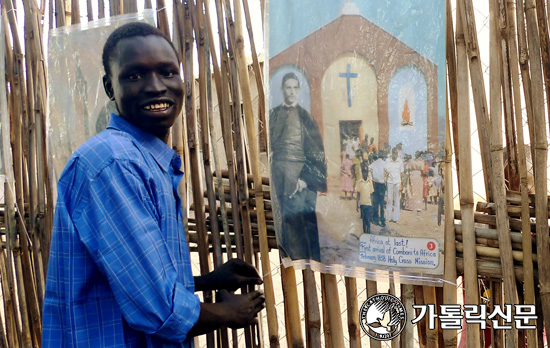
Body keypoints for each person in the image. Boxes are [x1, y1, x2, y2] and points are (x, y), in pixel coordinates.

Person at [43, 23, 265, 348]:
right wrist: (228, 314)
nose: (156, 87)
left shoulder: (147, 160)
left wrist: (209, 281)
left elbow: (132, 277)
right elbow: (159, 312)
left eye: (168, 72)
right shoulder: (113, 163)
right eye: (135, 76)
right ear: (109, 87)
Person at [269, 72, 327, 262]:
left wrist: (304, 180)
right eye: (288, 87)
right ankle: (292, 261)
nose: (291, 91)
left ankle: (310, 262)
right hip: (280, 173)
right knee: (287, 218)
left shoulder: (305, 117)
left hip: (301, 174)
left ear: (299, 90)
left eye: (295, 87)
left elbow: (317, 153)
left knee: (305, 219)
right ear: (282, 90)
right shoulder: (273, 114)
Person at [385, 147, 404, 223]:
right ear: (392, 153)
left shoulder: (400, 161)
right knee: (389, 199)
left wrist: (402, 183)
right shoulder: (388, 161)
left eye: (396, 153)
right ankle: (388, 217)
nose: (395, 155)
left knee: (396, 200)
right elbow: (385, 171)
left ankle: (396, 218)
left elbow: (402, 173)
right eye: (394, 153)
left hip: (397, 182)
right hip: (389, 181)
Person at [369, 151, 387, 227]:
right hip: (382, 185)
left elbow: (369, 169)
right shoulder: (384, 164)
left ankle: (375, 220)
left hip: (375, 184)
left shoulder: (373, 164)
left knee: (375, 203)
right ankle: (382, 221)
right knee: (381, 204)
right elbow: (387, 173)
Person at [355, 166, 374, 234]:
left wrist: (372, 204)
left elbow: (371, 194)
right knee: (364, 220)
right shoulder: (359, 182)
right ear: (362, 173)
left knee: (368, 220)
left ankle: (368, 232)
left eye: (366, 172)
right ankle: (364, 232)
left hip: (369, 204)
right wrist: (357, 205)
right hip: (362, 204)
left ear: (368, 173)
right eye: (364, 172)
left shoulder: (370, 182)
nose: (365, 174)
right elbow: (358, 195)